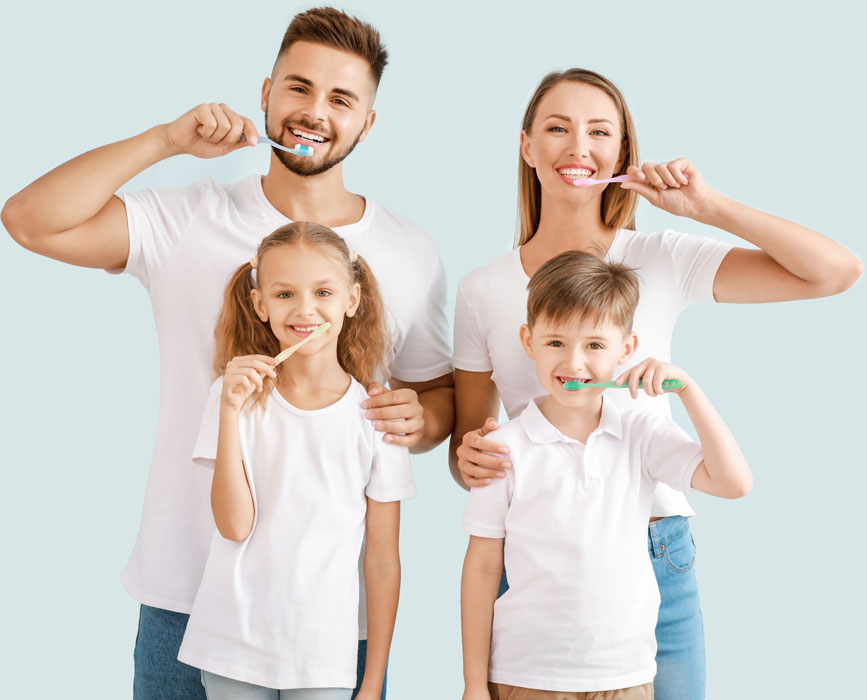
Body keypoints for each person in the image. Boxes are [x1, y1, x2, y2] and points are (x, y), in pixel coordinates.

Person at [2, 8, 454, 699]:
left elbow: (437, 400)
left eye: (341, 99)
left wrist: (419, 422)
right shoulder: (187, 219)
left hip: (329, 617)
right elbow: (29, 221)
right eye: (298, 88)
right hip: (185, 593)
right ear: (266, 92)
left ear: (368, 122)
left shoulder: (408, 251)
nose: (314, 112)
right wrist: (165, 140)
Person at [451, 68, 861, 700]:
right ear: (527, 145)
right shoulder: (482, 290)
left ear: (622, 154)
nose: (577, 146)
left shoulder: (663, 256)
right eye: (557, 128)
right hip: (538, 563)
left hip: (656, 548)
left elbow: (834, 272)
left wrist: (709, 207)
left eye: (599, 132)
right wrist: (468, 455)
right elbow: (471, 449)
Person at [461, 251, 753, 700]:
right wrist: (474, 684)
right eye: (556, 342)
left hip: (626, 677)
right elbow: (481, 569)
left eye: (595, 345)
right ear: (528, 341)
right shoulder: (502, 449)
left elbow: (734, 483)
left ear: (627, 350)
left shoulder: (642, 434)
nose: (574, 363)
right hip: (528, 677)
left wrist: (689, 389)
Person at [178, 223, 412, 700]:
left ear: (352, 298)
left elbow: (384, 562)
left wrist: (373, 682)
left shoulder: (376, 416)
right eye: (285, 293)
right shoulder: (232, 397)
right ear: (261, 304)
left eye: (323, 291)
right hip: (232, 643)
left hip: (323, 654)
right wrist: (229, 410)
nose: (305, 309)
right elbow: (233, 525)